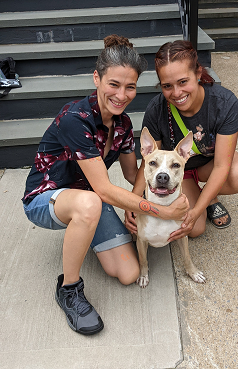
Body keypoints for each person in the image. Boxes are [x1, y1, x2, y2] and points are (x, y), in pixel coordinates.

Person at [22, 35, 189, 336]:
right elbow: (102, 190)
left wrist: (155, 198)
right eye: (114, 84)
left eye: (130, 87)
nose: (122, 94)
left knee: (129, 272)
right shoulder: (76, 119)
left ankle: (83, 232)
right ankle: (69, 288)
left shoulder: (123, 125)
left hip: (90, 201)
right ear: (97, 78)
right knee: (91, 203)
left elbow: (133, 175)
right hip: (46, 200)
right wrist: (159, 212)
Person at [125, 40, 238, 242]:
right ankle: (202, 194)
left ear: (198, 73)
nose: (176, 93)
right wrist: (134, 202)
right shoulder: (156, 110)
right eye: (167, 86)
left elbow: (221, 166)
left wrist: (196, 209)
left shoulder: (224, 104)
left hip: (209, 165)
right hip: (178, 171)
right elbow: (148, 161)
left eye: (183, 82)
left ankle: (208, 199)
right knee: (194, 229)